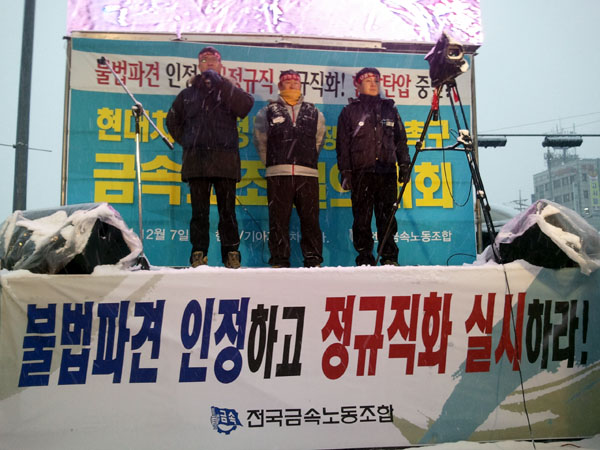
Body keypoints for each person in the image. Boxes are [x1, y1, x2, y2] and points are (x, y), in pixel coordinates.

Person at [166, 46, 254, 268]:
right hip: (197, 163)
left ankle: (231, 253)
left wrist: (222, 84)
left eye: (214, 59)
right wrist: (189, 141)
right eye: (204, 60)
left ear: (221, 65)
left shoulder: (229, 90)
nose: (209, 63)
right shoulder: (187, 95)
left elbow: (245, 106)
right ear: (199, 65)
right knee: (199, 213)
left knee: (227, 212)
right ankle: (199, 253)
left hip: (225, 163)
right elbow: (172, 121)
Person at [336, 67, 411, 266]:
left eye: (376, 81)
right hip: (361, 172)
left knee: (387, 217)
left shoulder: (390, 109)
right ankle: (364, 258)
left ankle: (389, 257)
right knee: (362, 218)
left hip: (387, 171)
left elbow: (401, 140)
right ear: (358, 85)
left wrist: (404, 164)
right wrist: (346, 172)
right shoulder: (349, 111)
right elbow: (343, 145)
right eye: (368, 80)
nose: (373, 84)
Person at [253, 70, 326, 268]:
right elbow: (261, 140)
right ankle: (279, 260)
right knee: (278, 220)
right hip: (278, 174)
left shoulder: (314, 112)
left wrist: (306, 159)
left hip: (307, 174)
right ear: (280, 86)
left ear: (301, 85)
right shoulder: (267, 111)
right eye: (287, 81)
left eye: (296, 81)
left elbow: (318, 140)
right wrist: (274, 163)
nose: (292, 84)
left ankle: (313, 260)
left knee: (310, 220)